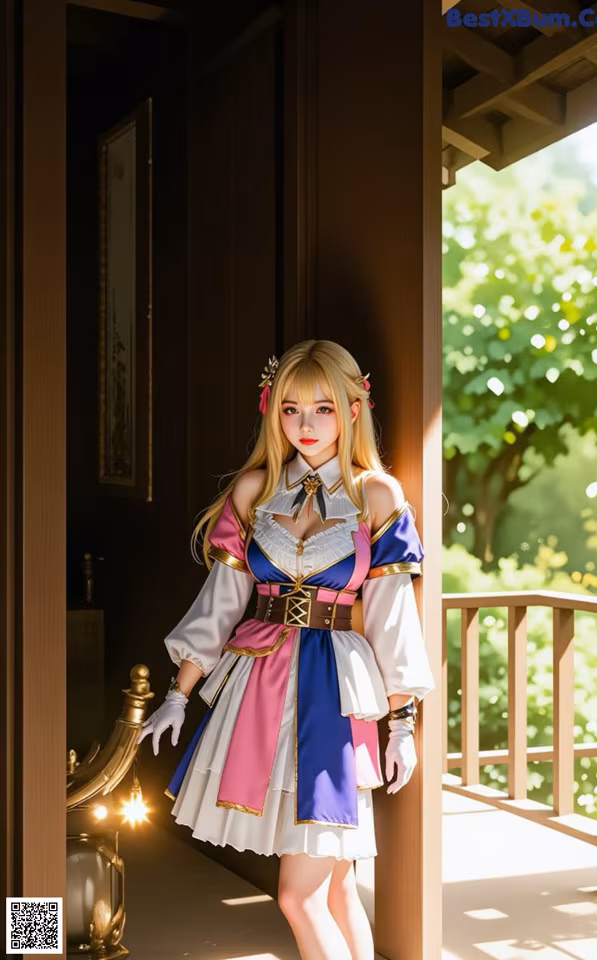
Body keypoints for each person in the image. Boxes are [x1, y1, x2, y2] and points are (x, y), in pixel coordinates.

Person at [138, 339, 434, 960]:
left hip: (334, 693)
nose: (306, 424)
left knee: (302, 897)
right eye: (292, 409)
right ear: (273, 411)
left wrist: (403, 722)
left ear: (353, 410)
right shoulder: (254, 491)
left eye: (323, 408)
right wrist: (178, 694)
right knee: (333, 890)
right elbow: (220, 605)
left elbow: (393, 620)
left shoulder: (377, 497)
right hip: (260, 687)